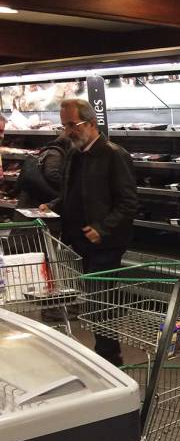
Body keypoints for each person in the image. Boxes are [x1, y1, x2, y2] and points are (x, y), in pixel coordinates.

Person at [42, 98, 138, 366]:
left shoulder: (114, 154)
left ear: (92, 123)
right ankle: (105, 356)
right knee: (95, 302)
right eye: (64, 125)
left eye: (73, 124)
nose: (68, 131)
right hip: (79, 241)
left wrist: (102, 229)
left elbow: (128, 203)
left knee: (101, 304)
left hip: (105, 244)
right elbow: (70, 194)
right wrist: (50, 206)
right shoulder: (75, 153)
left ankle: (110, 359)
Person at [16, 135, 73, 209]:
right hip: (39, 195)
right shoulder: (55, 153)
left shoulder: (50, 150)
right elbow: (51, 174)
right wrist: (67, 185)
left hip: (33, 194)